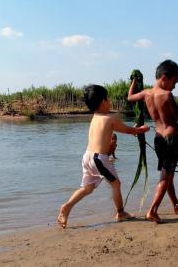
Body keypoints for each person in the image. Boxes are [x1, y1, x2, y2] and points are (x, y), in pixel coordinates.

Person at [57, 84, 150, 228]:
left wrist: (135, 129)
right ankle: (120, 212)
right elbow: (128, 130)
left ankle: (67, 206)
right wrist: (141, 129)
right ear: (103, 101)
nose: (110, 101)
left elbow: (125, 130)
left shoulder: (95, 117)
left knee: (87, 188)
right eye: (108, 98)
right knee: (116, 184)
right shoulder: (109, 118)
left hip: (87, 156)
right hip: (99, 159)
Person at [128, 60, 178, 224]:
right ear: (164, 77)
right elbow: (177, 117)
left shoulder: (146, 93)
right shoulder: (167, 95)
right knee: (166, 175)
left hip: (158, 139)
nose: (174, 86)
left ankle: (175, 203)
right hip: (172, 139)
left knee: (168, 173)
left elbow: (130, 97)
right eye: (174, 82)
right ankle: (152, 210)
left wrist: (134, 79)